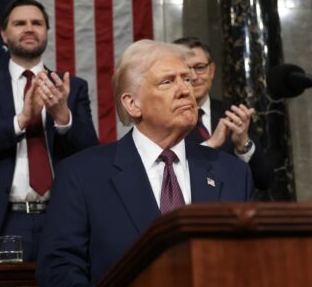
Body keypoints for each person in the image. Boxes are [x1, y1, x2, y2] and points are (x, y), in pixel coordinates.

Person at [36, 40, 252, 286]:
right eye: (168, 81)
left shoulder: (233, 172)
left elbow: (250, 264)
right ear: (133, 104)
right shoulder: (82, 175)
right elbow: (59, 269)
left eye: (187, 80)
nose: (185, 90)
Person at [0, 0, 98, 263]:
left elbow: (92, 154)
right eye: (20, 23)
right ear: (4, 34)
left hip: (62, 217)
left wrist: (62, 117)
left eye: (37, 23)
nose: (29, 28)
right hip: (1, 221)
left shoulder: (71, 87)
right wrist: (20, 121)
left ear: (46, 32)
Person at [173, 37, 274, 191]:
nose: (194, 77)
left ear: (212, 70)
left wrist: (243, 145)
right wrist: (211, 145)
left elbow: (265, 181)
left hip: (236, 211)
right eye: (186, 71)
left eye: (200, 67)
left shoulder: (233, 113)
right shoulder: (164, 120)